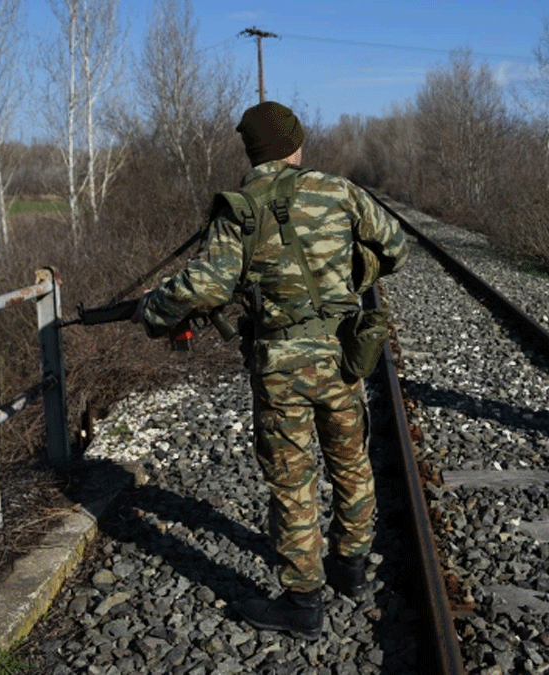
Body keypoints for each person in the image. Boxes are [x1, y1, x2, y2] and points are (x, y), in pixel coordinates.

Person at [137, 101, 408, 640]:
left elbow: (208, 284)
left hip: (281, 366)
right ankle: (350, 567)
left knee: (291, 479)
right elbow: (395, 248)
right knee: (351, 459)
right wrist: (353, 270)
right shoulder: (340, 191)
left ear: (253, 150)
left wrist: (154, 312)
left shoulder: (239, 206)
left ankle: (303, 600)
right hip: (343, 356)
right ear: (296, 143)